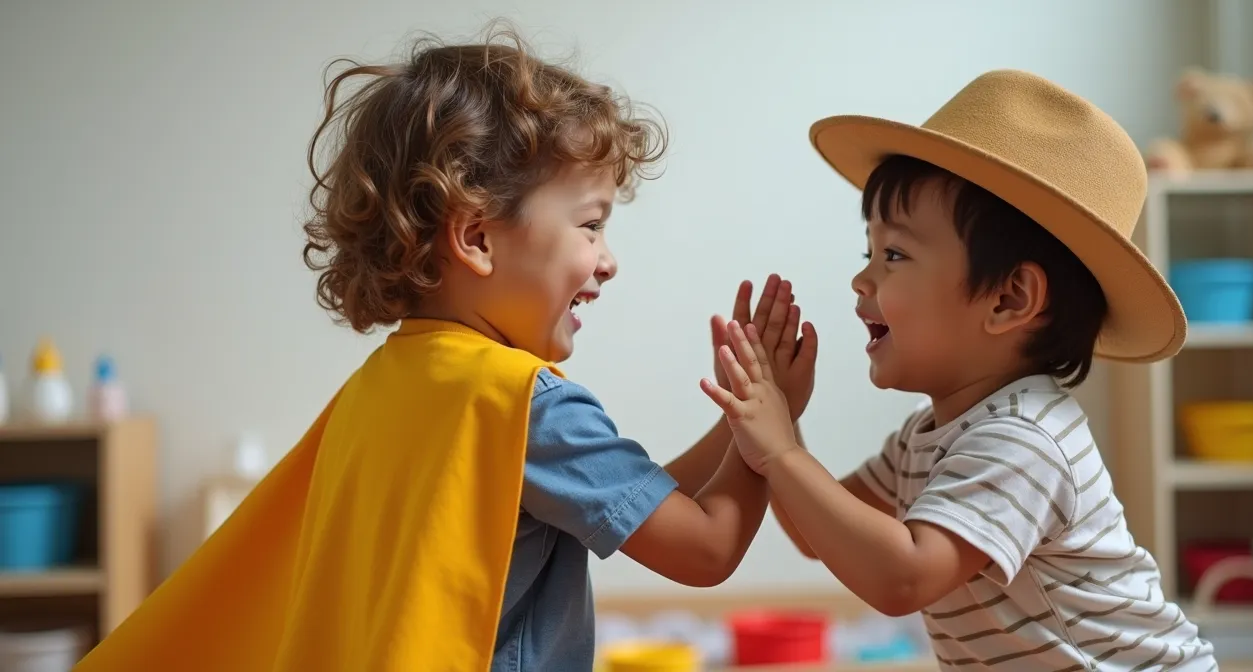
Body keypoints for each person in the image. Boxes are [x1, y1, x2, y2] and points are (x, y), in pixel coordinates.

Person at [73, 25, 817, 672]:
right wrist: (773, 430)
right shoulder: (527, 406)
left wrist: (741, 423)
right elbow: (706, 548)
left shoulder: (385, 385)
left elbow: (636, 501)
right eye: (591, 226)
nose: (608, 260)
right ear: (477, 237)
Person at [701, 70, 1218, 670]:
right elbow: (817, 533)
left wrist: (781, 452)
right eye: (869, 251)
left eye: (894, 254)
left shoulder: (1024, 439)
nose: (862, 279)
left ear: (1008, 299)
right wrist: (781, 418)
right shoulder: (927, 436)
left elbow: (902, 578)